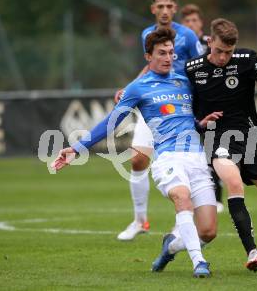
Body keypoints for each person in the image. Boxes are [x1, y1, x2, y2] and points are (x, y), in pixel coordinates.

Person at [52, 28, 219, 278]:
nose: (168, 57)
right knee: (182, 198)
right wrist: (77, 148)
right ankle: (199, 262)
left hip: (195, 157)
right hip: (168, 158)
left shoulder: (184, 80)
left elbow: (186, 116)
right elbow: (112, 122)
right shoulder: (137, 88)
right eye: (162, 53)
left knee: (208, 231)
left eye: (171, 53)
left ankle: (170, 247)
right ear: (147, 56)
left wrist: (199, 123)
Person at [186, 18, 257, 271]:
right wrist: (199, 123)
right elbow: (187, 112)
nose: (224, 57)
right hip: (217, 139)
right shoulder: (192, 69)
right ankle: (252, 252)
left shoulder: (247, 59)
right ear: (210, 41)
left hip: (251, 140)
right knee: (234, 184)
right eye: (219, 51)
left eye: (229, 52)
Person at [116, 0, 204, 241]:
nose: (164, 11)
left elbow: (201, 67)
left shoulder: (187, 35)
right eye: (160, 6)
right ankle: (140, 221)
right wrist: (129, 87)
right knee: (137, 160)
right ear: (153, 9)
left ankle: (182, 223)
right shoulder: (147, 33)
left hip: (180, 106)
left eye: (169, 6)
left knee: (187, 169)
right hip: (155, 103)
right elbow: (149, 67)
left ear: (174, 9)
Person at [180, 3, 224, 212]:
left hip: (208, 103)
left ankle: (217, 196)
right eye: (187, 21)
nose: (191, 24)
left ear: (201, 23)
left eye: (194, 20)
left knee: (213, 148)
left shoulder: (211, 45)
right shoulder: (178, 46)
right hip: (189, 103)